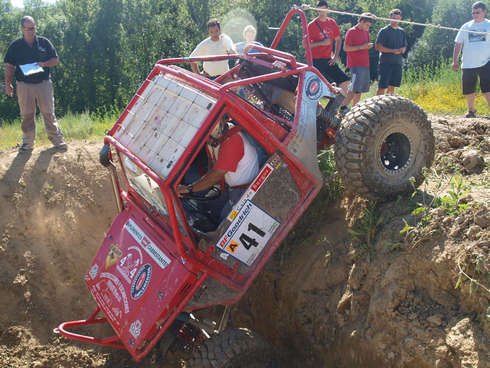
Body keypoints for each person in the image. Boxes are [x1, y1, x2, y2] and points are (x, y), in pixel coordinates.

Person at [178, 117, 259, 226]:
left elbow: (216, 175)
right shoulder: (214, 141)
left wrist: (189, 189)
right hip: (228, 186)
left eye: (206, 138)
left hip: (245, 190)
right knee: (207, 208)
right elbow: (212, 166)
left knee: (224, 225)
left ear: (214, 133)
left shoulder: (232, 141)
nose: (205, 141)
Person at [4, 15, 67, 153]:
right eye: (29, 28)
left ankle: (57, 140)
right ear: (22, 29)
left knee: (49, 113)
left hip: (43, 83)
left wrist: (44, 64)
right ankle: (27, 144)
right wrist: (7, 84)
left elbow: (55, 60)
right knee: (27, 114)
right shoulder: (15, 46)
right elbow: (9, 66)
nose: (32, 31)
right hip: (24, 85)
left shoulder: (44, 42)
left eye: (34, 28)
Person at [306, 0, 350, 115]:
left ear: (328, 10)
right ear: (317, 10)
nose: (322, 11)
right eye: (320, 9)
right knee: (314, 85)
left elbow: (338, 40)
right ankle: (314, 110)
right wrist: (321, 43)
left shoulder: (332, 23)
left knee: (344, 81)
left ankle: (336, 109)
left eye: (324, 9)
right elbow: (305, 44)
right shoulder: (312, 25)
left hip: (328, 59)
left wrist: (335, 56)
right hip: (315, 60)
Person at [452, 1, 490, 118]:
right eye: (473, 12)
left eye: (477, 12)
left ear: (484, 12)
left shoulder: (489, 25)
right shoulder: (466, 26)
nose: (475, 15)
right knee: (468, 89)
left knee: (488, 88)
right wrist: (455, 61)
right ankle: (471, 110)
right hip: (468, 63)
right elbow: (458, 44)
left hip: (486, 62)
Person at [342, 13, 374, 108]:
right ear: (361, 21)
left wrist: (367, 46)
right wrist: (362, 47)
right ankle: (343, 108)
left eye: (369, 25)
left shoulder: (366, 31)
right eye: (367, 25)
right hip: (355, 64)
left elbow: (365, 46)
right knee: (353, 89)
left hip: (365, 64)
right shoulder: (351, 31)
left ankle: (354, 109)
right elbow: (346, 48)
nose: (368, 27)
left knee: (359, 90)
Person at [375, 9, 408, 96]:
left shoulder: (402, 31)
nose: (395, 20)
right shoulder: (384, 31)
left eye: (397, 18)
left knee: (393, 85)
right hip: (385, 62)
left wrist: (402, 50)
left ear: (400, 19)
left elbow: (404, 46)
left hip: (397, 63)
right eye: (394, 18)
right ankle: (377, 105)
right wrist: (393, 51)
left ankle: (388, 106)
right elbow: (378, 47)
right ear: (390, 18)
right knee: (382, 86)